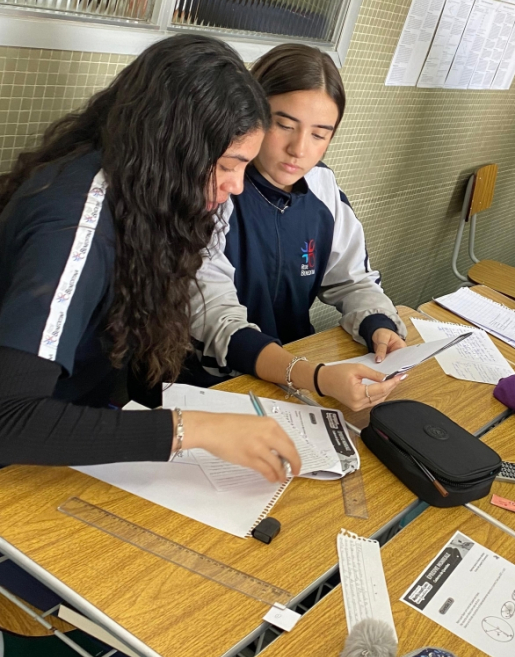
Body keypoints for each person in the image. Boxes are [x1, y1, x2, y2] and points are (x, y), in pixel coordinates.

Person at [0, 34, 300, 480]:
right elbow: (9, 420)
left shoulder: (141, 192)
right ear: (171, 148)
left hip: (70, 433)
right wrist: (190, 429)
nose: (236, 185)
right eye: (226, 165)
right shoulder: (76, 226)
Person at [188, 43, 406, 412]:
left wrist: (378, 323)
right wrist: (311, 375)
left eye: (319, 135)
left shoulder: (323, 187)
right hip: (215, 380)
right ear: (250, 114)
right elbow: (214, 317)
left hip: (296, 374)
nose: (299, 149)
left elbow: (353, 279)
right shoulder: (219, 185)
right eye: (284, 125)